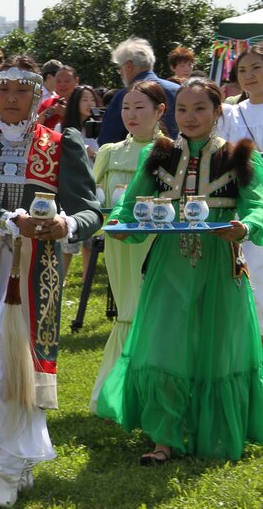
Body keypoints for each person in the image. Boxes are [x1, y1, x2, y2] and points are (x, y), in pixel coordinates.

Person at [0, 55, 101, 508]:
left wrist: (67, 224)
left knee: (18, 365)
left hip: (37, 272)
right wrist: (8, 220)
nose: (11, 99)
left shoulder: (60, 143)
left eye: (22, 91)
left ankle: (9, 471)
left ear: (36, 95)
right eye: (4, 90)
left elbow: (90, 209)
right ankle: (11, 459)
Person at [96, 77, 263, 463]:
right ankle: (164, 440)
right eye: (183, 109)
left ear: (217, 111)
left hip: (220, 264)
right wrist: (119, 223)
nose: (190, 117)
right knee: (163, 344)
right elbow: (130, 203)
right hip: (169, 263)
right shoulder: (159, 154)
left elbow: (257, 206)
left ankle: (215, 431)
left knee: (218, 348)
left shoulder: (240, 156)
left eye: (200, 108)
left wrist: (245, 227)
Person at [87, 80, 168, 413]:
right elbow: (92, 197)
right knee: (127, 311)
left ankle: (144, 392)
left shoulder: (172, 152)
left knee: (150, 312)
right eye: (125, 107)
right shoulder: (110, 152)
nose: (131, 115)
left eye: (139, 107)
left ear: (160, 111)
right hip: (119, 241)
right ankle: (117, 392)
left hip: (158, 243)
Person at [220, 44, 263, 338]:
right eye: (243, 70)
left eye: (257, 68)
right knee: (249, 274)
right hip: (245, 205)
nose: (249, 75)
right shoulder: (230, 115)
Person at [99, 37, 180, 145]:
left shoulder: (124, 96)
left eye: (120, 69)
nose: (120, 73)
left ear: (128, 66)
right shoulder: (178, 90)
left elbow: (108, 141)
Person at [58, 84, 102, 281]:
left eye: (92, 99)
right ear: (75, 103)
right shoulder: (64, 128)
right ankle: (59, 279)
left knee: (90, 237)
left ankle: (86, 279)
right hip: (71, 188)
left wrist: (95, 154)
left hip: (95, 186)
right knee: (68, 239)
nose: (90, 103)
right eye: (85, 99)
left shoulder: (100, 128)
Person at [36, 65, 78, 131]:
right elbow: (34, 128)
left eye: (67, 81)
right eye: (58, 81)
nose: (62, 84)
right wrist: (47, 113)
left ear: (76, 81)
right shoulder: (48, 103)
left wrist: (66, 116)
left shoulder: (82, 103)